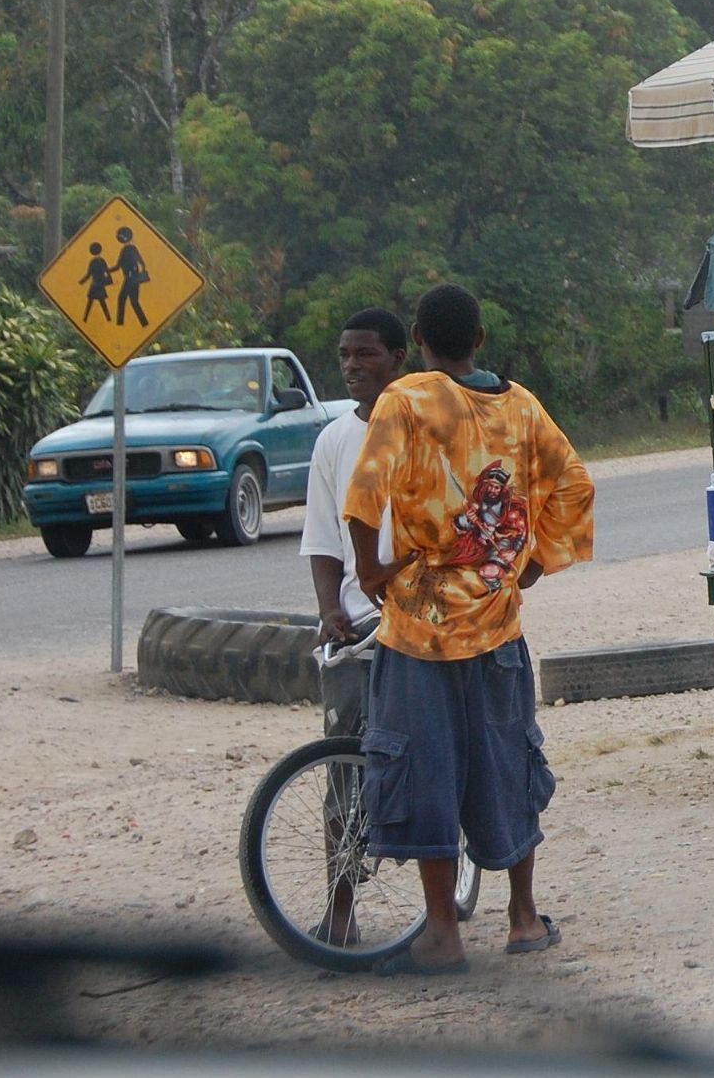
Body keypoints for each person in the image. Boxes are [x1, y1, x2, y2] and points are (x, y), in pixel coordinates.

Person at [347, 283, 594, 974]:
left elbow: (365, 494)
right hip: (496, 624)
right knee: (505, 764)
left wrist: (370, 570)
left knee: (424, 769)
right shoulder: (521, 407)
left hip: (419, 629)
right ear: (479, 340)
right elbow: (574, 485)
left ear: (418, 339)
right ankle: (521, 919)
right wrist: (531, 565)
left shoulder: (406, 399)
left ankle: (443, 932)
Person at [295, 305, 410, 946]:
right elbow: (322, 540)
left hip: (422, 619)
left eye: (366, 355)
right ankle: (341, 909)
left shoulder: (425, 427)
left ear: (399, 358)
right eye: (344, 356)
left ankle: (440, 903)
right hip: (358, 626)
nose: (352, 366)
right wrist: (330, 610)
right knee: (342, 762)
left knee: (427, 756)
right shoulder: (333, 439)